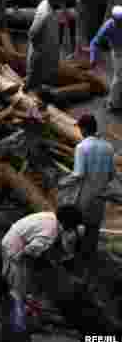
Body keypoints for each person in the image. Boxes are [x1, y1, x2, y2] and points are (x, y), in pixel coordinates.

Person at [0, 206, 83, 306]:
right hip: (14, 248)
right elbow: (29, 251)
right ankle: (17, 309)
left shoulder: (51, 218)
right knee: (17, 289)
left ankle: (15, 297)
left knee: (16, 279)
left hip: (12, 239)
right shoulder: (50, 232)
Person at [72, 114, 117, 276]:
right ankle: (91, 266)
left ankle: (77, 263)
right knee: (93, 230)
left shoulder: (81, 147)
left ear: (83, 129)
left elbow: (78, 175)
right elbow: (112, 174)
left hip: (84, 196)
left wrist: (65, 183)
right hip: (100, 197)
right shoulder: (109, 147)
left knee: (76, 227)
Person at [26, 0, 71, 98]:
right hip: (40, 51)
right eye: (61, 1)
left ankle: (37, 90)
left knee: (41, 74)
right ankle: (30, 97)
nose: (62, 4)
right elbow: (32, 32)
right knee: (34, 75)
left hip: (46, 47)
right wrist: (38, 49)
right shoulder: (45, 14)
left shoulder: (46, 3)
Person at [92, 6, 122, 111]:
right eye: (118, 21)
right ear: (113, 18)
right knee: (119, 78)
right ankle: (112, 103)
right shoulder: (108, 26)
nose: (120, 23)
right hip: (118, 52)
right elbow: (95, 42)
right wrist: (93, 58)